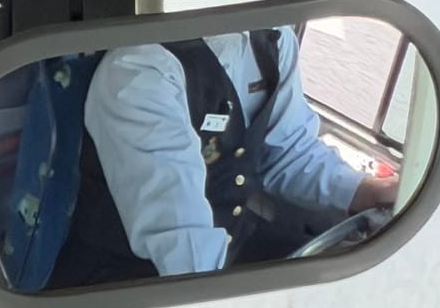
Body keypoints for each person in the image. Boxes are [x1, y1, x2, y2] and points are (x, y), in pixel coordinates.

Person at [50, 26, 398, 287]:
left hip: (229, 247)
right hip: (133, 279)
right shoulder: (140, 70)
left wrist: (366, 191)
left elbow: (287, 150)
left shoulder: (273, 36)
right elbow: (185, 250)